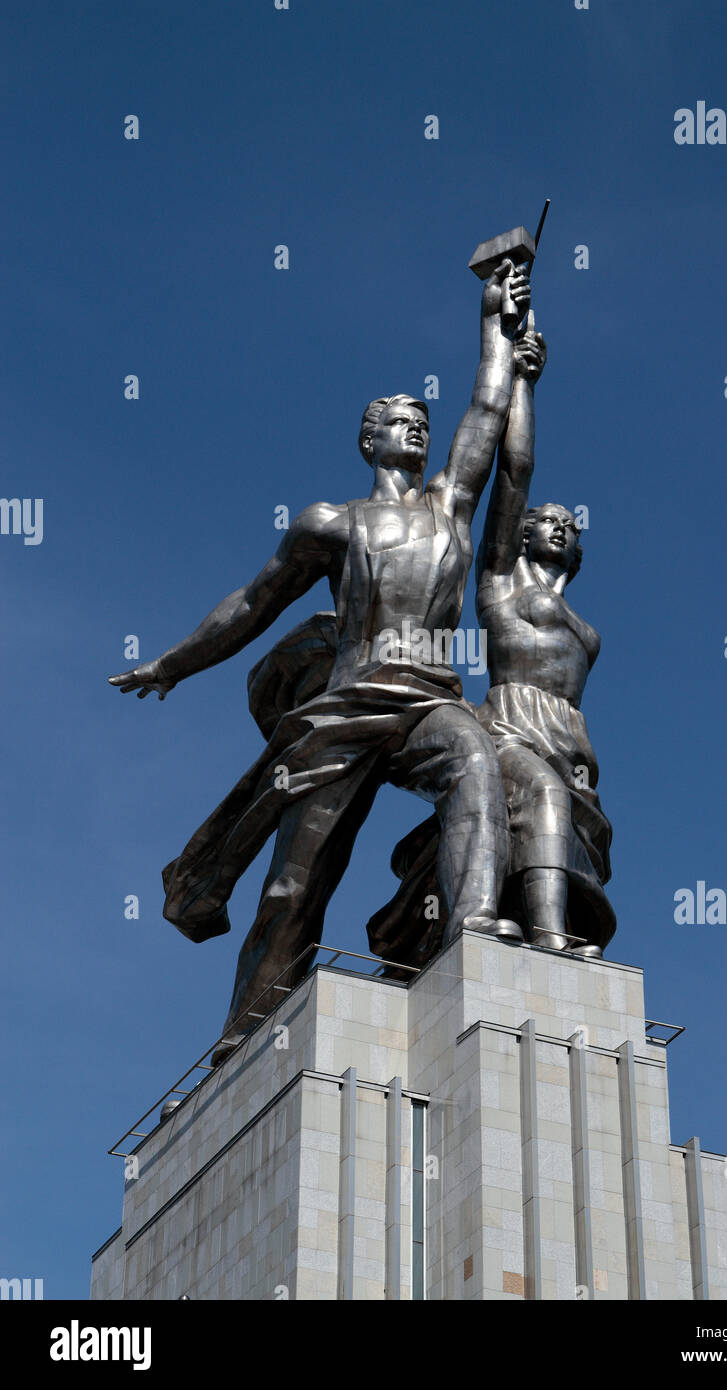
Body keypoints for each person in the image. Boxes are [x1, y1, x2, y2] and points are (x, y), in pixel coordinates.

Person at [109, 261, 530, 1060]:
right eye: (400, 420)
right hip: (348, 703)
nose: (417, 428)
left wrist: (496, 323)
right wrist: (172, 665)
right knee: (296, 879)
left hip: (427, 700)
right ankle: (246, 1031)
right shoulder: (331, 523)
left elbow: (485, 408)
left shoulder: (451, 508)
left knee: (475, 764)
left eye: (422, 420)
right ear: (370, 439)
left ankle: (472, 927)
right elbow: (251, 603)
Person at [366, 324, 615, 966]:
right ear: (522, 535)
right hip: (510, 723)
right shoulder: (502, 584)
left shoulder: (582, 622)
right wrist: (525, 383)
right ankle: (551, 939)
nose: (558, 527)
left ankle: (528, 925)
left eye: (570, 525)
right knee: (542, 798)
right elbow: (516, 471)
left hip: (571, 736)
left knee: (555, 823)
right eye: (546, 521)